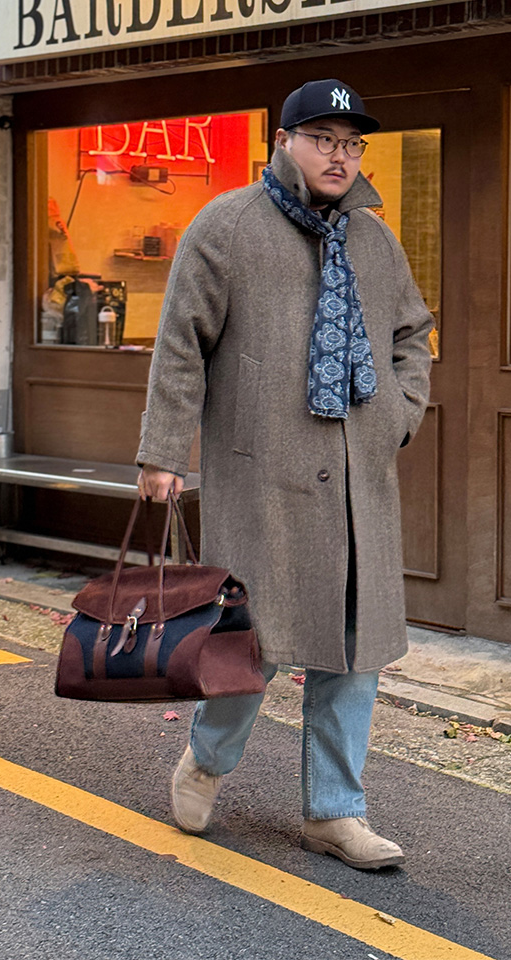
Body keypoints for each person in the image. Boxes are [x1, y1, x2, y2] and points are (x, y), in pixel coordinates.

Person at [136, 78, 434, 870]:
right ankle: (207, 763)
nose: (340, 156)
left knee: (353, 649)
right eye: (324, 139)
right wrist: (164, 454)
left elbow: (413, 331)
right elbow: (180, 345)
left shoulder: (376, 240)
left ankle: (335, 813)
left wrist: (399, 413)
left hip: (357, 477)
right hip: (259, 471)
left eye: (351, 143)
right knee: (248, 642)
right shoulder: (226, 226)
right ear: (283, 141)